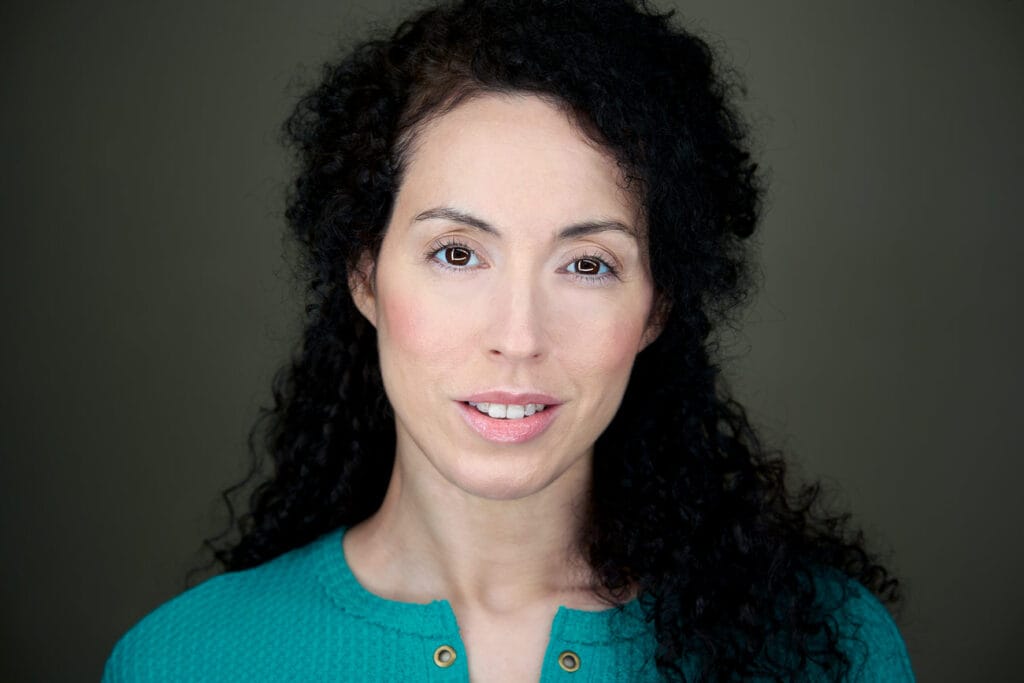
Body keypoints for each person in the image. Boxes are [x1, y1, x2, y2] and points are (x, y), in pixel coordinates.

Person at [103, 1, 914, 680]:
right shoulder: (179, 660)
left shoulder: (832, 646)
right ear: (365, 275)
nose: (518, 337)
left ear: (657, 306)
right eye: (457, 253)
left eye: (588, 264)